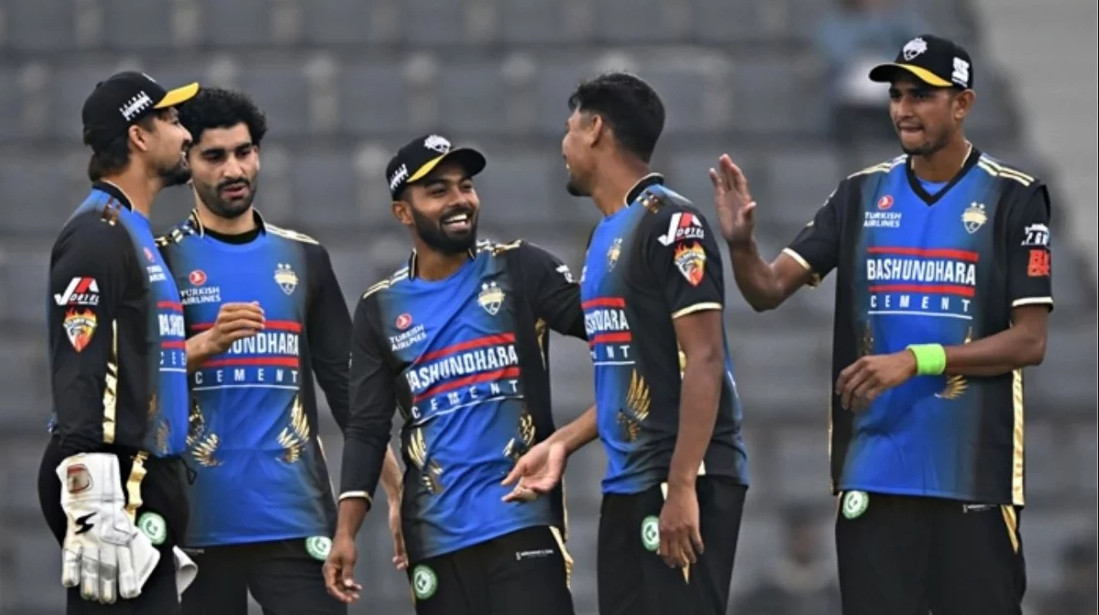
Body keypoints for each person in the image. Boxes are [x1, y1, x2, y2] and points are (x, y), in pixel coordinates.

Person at [710, 34, 1052, 615]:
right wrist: (741, 245)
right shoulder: (860, 193)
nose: (903, 109)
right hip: (874, 473)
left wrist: (918, 359)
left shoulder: (1012, 198)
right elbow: (767, 291)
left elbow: (1030, 340)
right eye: (896, 95)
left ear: (962, 104)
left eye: (921, 95)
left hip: (972, 473)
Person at [504, 71, 751, 615]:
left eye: (568, 129)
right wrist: (563, 442)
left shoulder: (672, 223)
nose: (563, 146)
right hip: (628, 480)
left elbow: (706, 358)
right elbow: (634, 373)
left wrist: (682, 486)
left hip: (682, 475)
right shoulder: (606, 234)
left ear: (595, 129)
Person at [155, 87, 404, 615]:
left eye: (244, 152)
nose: (233, 170)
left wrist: (396, 487)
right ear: (187, 162)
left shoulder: (304, 256)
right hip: (196, 525)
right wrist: (204, 344)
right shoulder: (162, 262)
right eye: (214, 156)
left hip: (295, 520)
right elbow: (139, 381)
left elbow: (349, 391)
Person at [322, 134, 586, 615]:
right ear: (403, 212)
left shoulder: (518, 267)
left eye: (466, 186)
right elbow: (366, 429)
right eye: (438, 191)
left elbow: (613, 332)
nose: (459, 200)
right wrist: (345, 532)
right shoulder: (380, 308)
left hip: (521, 523)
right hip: (436, 542)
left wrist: (575, 435)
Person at [38, 71, 264, 614]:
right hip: (112, 480)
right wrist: (91, 499)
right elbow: (79, 365)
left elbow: (138, 361)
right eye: (170, 120)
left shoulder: (132, 230)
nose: (185, 133)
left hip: (141, 476)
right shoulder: (97, 234)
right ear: (138, 136)